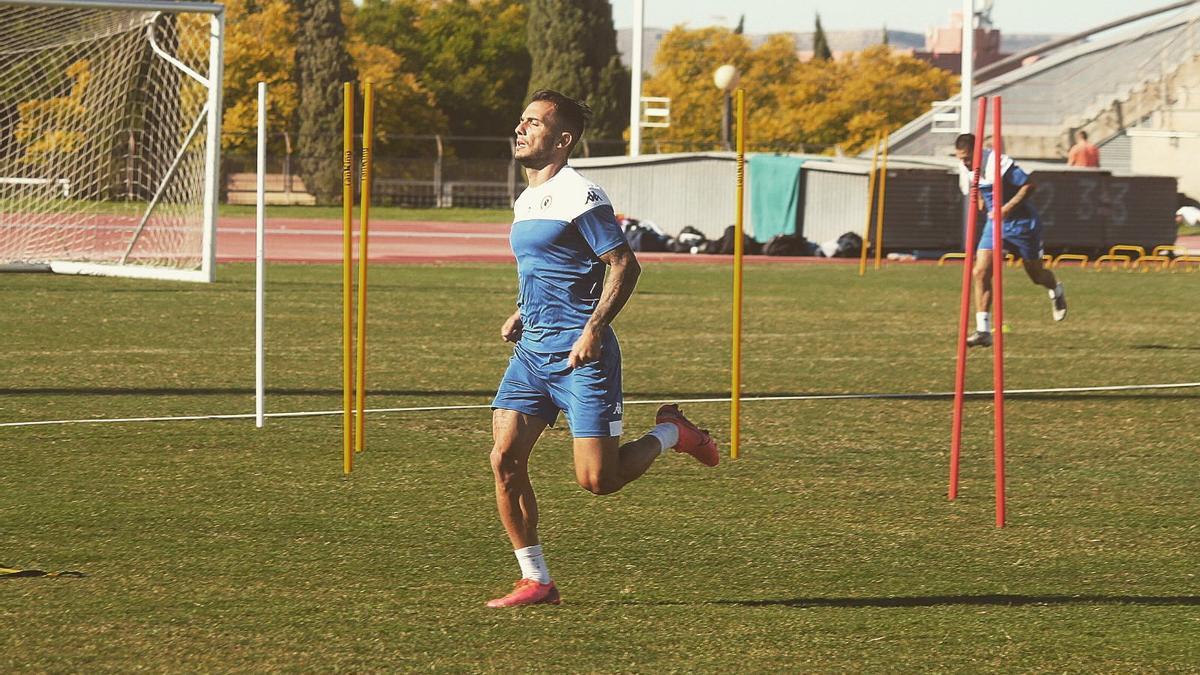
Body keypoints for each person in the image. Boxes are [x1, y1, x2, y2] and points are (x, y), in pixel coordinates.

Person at [486, 89, 719, 608]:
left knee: (599, 480)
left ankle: (671, 431)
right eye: (521, 121)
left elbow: (623, 265)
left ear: (562, 139)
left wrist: (592, 329)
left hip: (580, 357)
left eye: (534, 123)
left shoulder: (582, 195)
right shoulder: (526, 198)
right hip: (531, 356)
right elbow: (554, 268)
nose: (520, 129)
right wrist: (522, 311)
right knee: (504, 460)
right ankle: (537, 580)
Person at [955, 133, 1067, 347]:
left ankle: (1056, 289)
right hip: (995, 225)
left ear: (978, 151)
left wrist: (1006, 208)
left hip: (1023, 224)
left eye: (968, 158)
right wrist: (979, 198)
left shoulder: (999, 163)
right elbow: (975, 185)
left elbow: (1029, 186)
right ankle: (983, 330)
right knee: (980, 272)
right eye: (961, 158)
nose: (965, 163)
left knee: (1036, 275)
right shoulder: (966, 167)